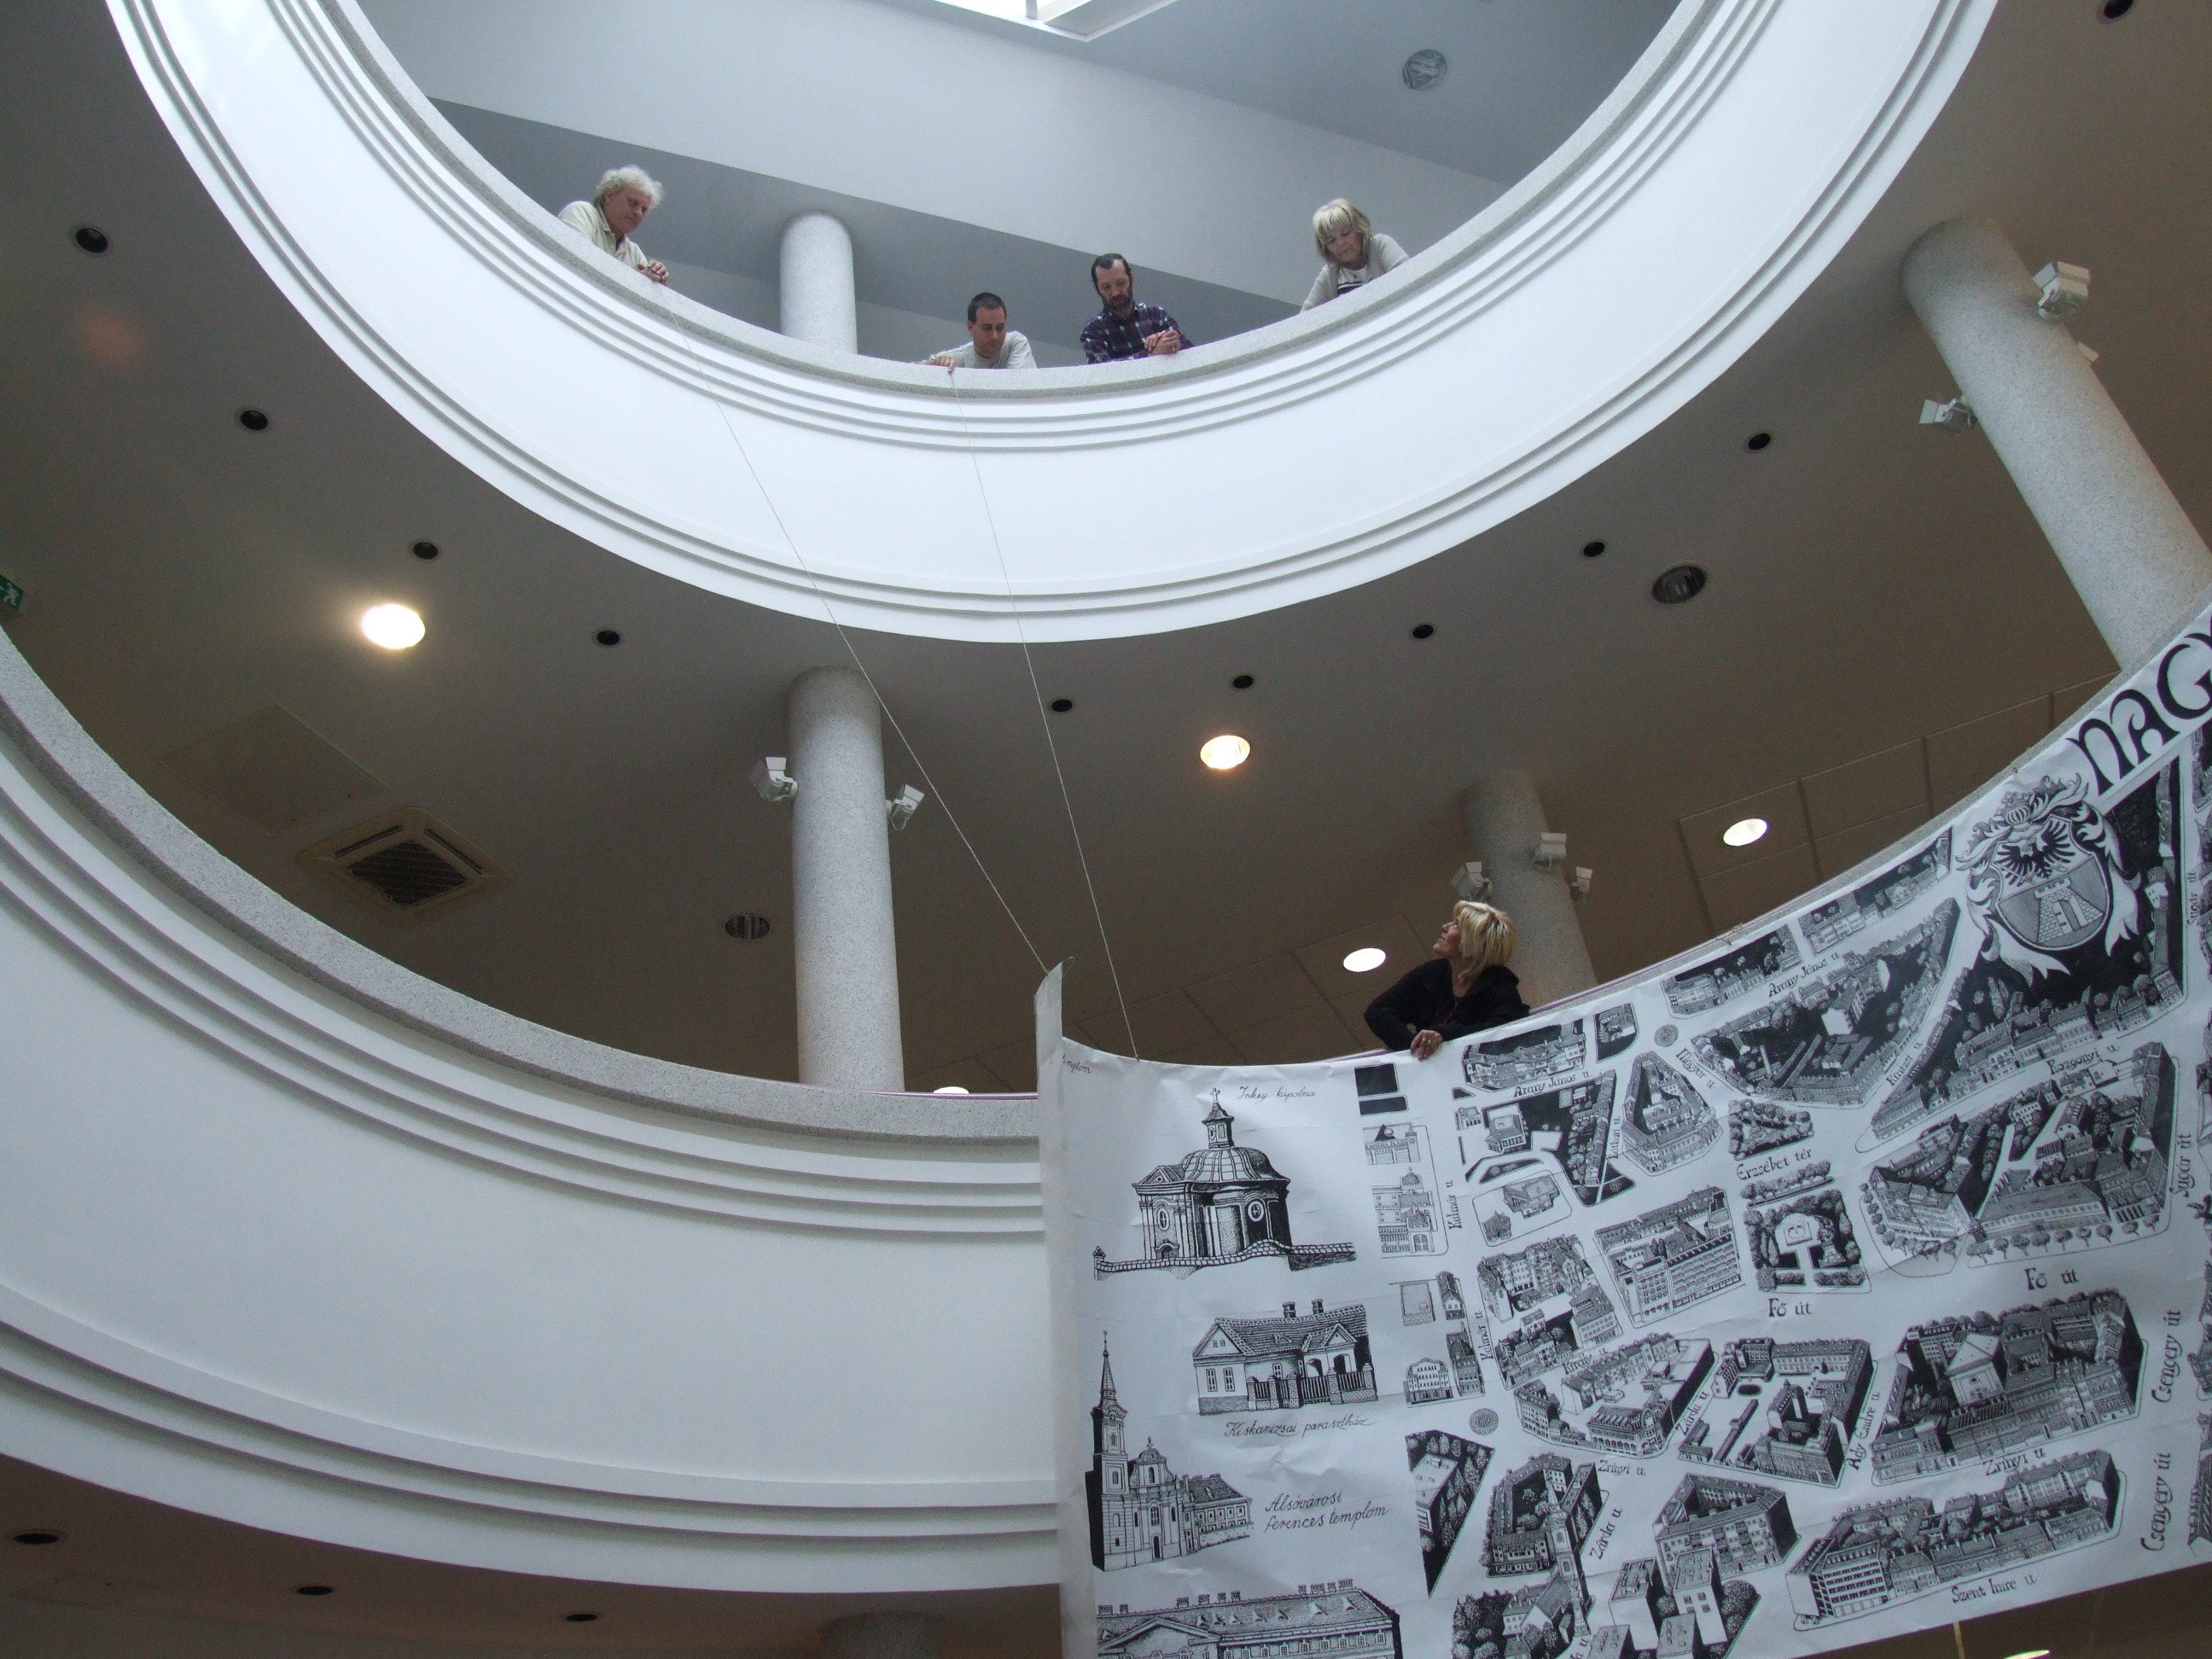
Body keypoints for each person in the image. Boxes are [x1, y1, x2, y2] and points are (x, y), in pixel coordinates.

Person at [1365, 900, 1528, 1058]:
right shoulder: (1432, 973)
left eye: (1456, 925)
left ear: (1473, 942)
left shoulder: (1499, 983)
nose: (1445, 927)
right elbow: (1378, 1011)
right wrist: (1413, 1047)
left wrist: (1445, 1035)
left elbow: (1506, 1028)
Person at [557, 166, 670, 284]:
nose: (638, 213)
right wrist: (637, 280)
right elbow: (577, 263)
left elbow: (643, 293)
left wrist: (656, 278)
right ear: (609, 196)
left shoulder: (634, 253)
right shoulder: (581, 212)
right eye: (633, 203)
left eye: (644, 210)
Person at [1080, 254, 1193, 364]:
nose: (1115, 293)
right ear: (1097, 289)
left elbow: (1192, 355)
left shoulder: (1156, 315)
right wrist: (1151, 354)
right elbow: (1102, 371)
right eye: (1106, 287)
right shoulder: (1093, 330)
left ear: (1132, 279)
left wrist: (1170, 341)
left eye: (1121, 283)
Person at [1301, 199, 1407, 311]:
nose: (1340, 243)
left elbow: (1407, 277)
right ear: (1326, 248)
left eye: (1345, 233)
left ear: (1360, 229)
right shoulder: (1330, 275)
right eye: (1331, 241)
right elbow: (1306, 317)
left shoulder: (1380, 245)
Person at [924, 292, 1037, 370]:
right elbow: (915, 371)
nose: (995, 336)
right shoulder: (955, 359)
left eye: (1000, 328)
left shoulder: (1015, 343)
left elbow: (1020, 385)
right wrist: (935, 365)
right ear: (970, 328)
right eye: (987, 328)